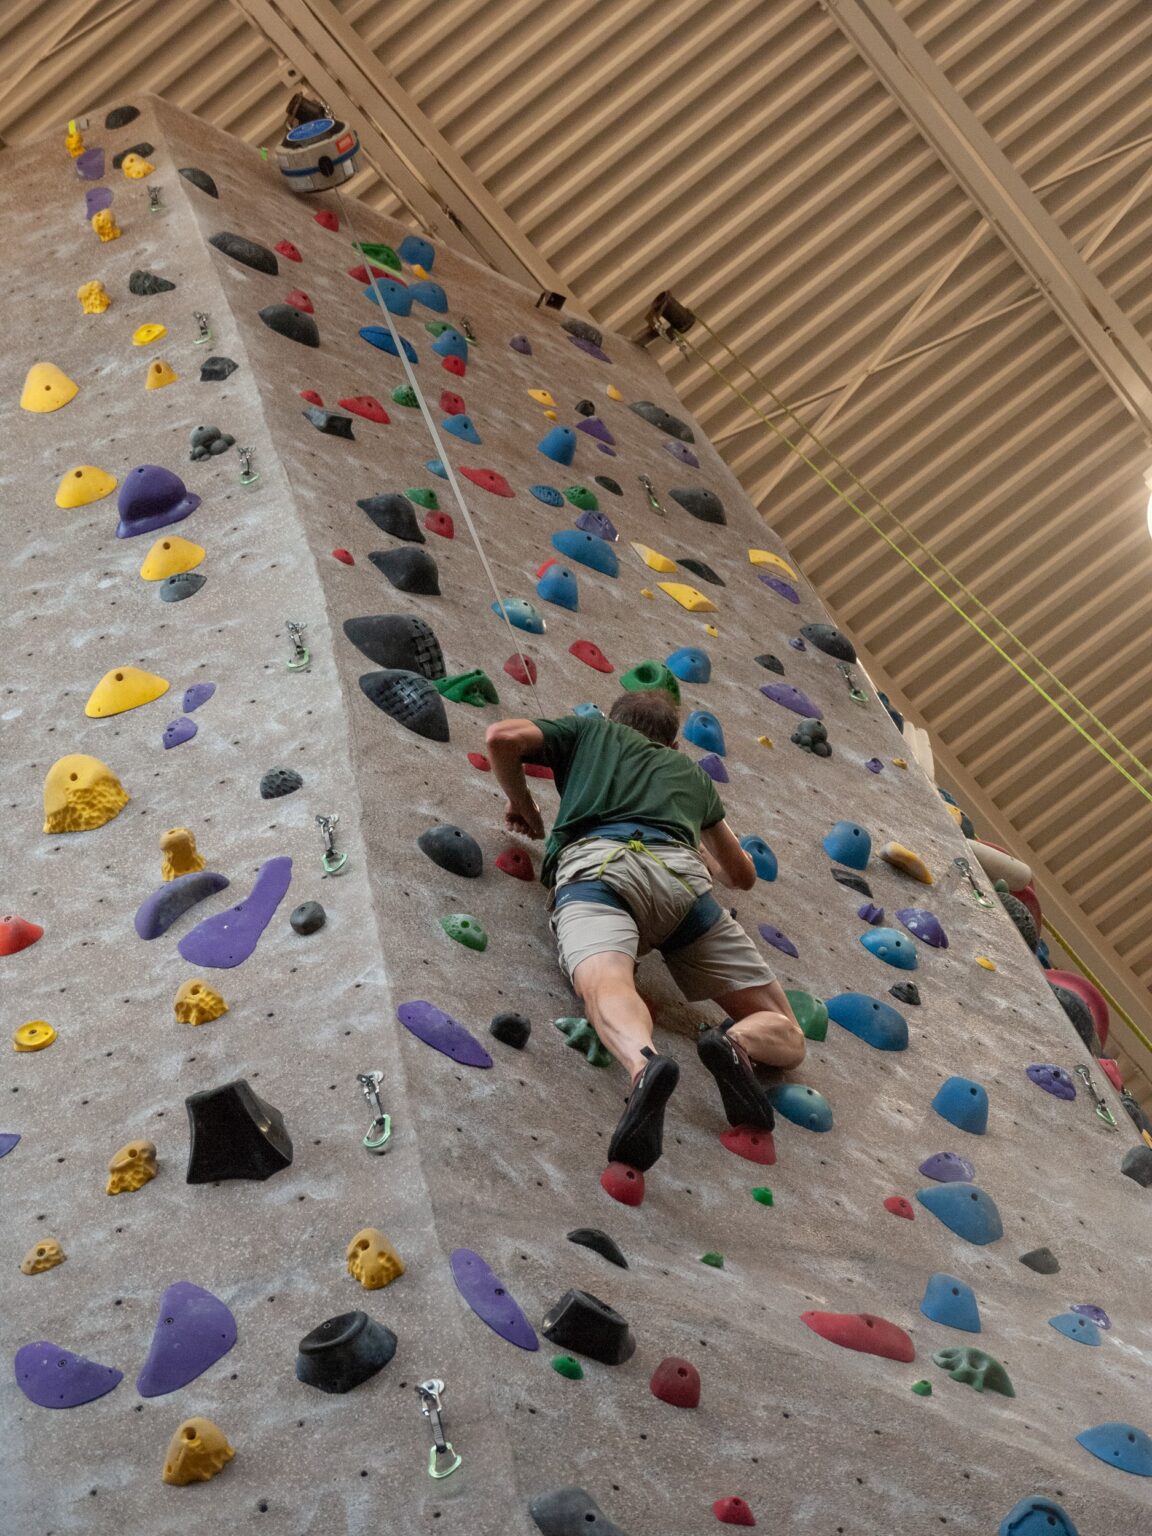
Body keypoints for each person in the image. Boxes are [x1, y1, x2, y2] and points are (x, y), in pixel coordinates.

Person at [485, 689, 805, 1171]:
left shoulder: (591, 731)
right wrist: (696, 853)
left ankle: (642, 1064)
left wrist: (523, 803)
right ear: (673, 745)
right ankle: (737, 1044)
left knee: (606, 982)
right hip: (682, 885)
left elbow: (501, 736)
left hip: (599, 869)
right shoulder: (694, 777)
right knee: (788, 1035)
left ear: (613, 720)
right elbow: (742, 876)